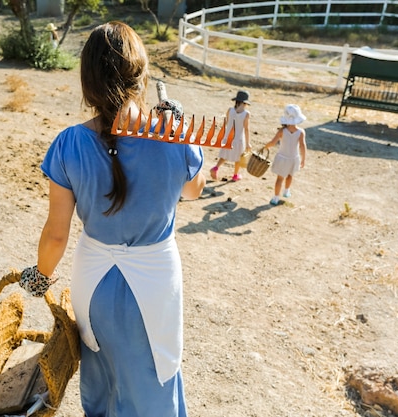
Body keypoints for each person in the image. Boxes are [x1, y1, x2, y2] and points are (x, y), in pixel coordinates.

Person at [19, 21, 206, 417]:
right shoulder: (173, 136)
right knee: (154, 377)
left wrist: (39, 277)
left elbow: (56, 235)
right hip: (155, 281)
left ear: (87, 80)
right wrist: (178, 129)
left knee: (103, 378)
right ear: (141, 78)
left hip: (94, 281)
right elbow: (193, 191)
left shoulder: (69, 142)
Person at [264, 104, 307, 206]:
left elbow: (273, 142)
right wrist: (303, 159)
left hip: (282, 158)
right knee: (290, 175)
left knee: (279, 179)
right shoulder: (301, 132)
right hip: (293, 158)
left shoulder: (282, 131)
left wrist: (266, 146)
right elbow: (303, 146)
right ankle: (287, 191)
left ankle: (275, 198)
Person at [210, 90, 251, 181]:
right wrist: (248, 143)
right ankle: (235, 175)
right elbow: (246, 129)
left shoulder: (230, 110)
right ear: (245, 103)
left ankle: (216, 168)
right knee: (238, 158)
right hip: (239, 139)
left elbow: (228, 122)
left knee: (224, 155)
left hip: (228, 137)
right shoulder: (246, 114)